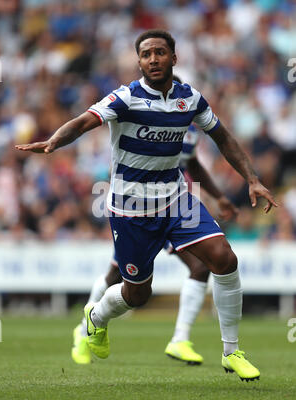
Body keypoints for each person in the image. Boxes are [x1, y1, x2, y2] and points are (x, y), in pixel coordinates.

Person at [16, 29, 278, 382]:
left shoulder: (190, 99)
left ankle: (231, 352)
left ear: (174, 57)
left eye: (159, 52)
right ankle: (95, 319)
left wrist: (252, 177)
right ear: (139, 62)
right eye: (146, 54)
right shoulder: (125, 98)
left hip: (176, 200)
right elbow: (82, 122)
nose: (153, 59)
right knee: (137, 295)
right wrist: (53, 141)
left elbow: (223, 137)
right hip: (130, 209)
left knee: (224, 258)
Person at [71, 78, 239, 366]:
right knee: (122, 282)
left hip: (171, 207)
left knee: (201, 266)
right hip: (133, 209)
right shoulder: (136, 114)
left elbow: (193, 164)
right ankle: (85, 325)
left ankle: (180, 338)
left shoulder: (187, 130)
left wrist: (219, 196)